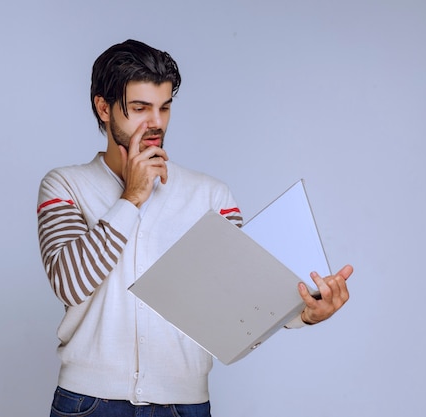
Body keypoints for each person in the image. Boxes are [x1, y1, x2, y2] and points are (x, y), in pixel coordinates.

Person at [37, 39, 352, 417]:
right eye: (139, 108)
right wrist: (132, 198)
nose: (155, 123)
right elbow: (70, 284)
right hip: (87, 403)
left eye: (164, 107)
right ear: (103, 108)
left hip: (183, 405)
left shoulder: (211, 196)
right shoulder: (65, 185)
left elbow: (235, 307)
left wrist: (301, 315)